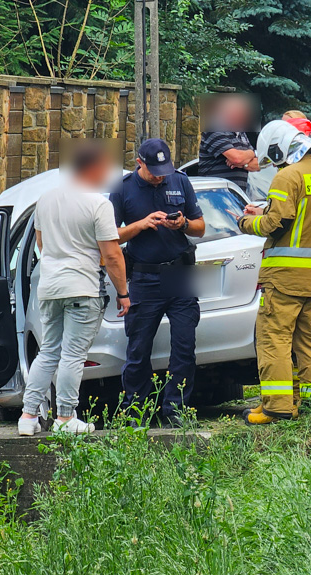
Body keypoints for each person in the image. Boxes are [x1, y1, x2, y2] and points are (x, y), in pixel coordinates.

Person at [19, 142, 130, 436]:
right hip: (82, 286)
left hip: (49, 286)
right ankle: (66, 418)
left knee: (49, 352)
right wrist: (123, 293)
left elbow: (42, 245)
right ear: (93, 168)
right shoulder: (98, 204)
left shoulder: (45, 200)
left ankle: (28, 416)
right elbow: (112, 255)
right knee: (73, 355)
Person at [237, 120, 311, 424]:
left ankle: (277, 406)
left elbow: (276, 224)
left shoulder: (286, 177)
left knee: (274, 339)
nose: (273, 165)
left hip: (284, 279)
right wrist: (268, 211)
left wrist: (246, 223)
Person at [110, 138, 205, 426]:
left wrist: (183, 224)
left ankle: (176, 411)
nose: (160, 175)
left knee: (184, 348)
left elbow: (200, 227)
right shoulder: (123, 189)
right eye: (154, 170)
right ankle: (136, 412)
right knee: (138, 351)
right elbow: (110, 236)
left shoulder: (180, 181)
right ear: (139, 163)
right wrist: (141, 224)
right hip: (144, 278)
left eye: (164, 169)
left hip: (181, 276)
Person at [199, 94, 260, 191]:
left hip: (236, 197)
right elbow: (236, 158)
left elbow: (258, 164)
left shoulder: (241, 134)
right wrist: (250, 155)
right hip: (215, 194)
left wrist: (244, 163)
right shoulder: (214, 129)